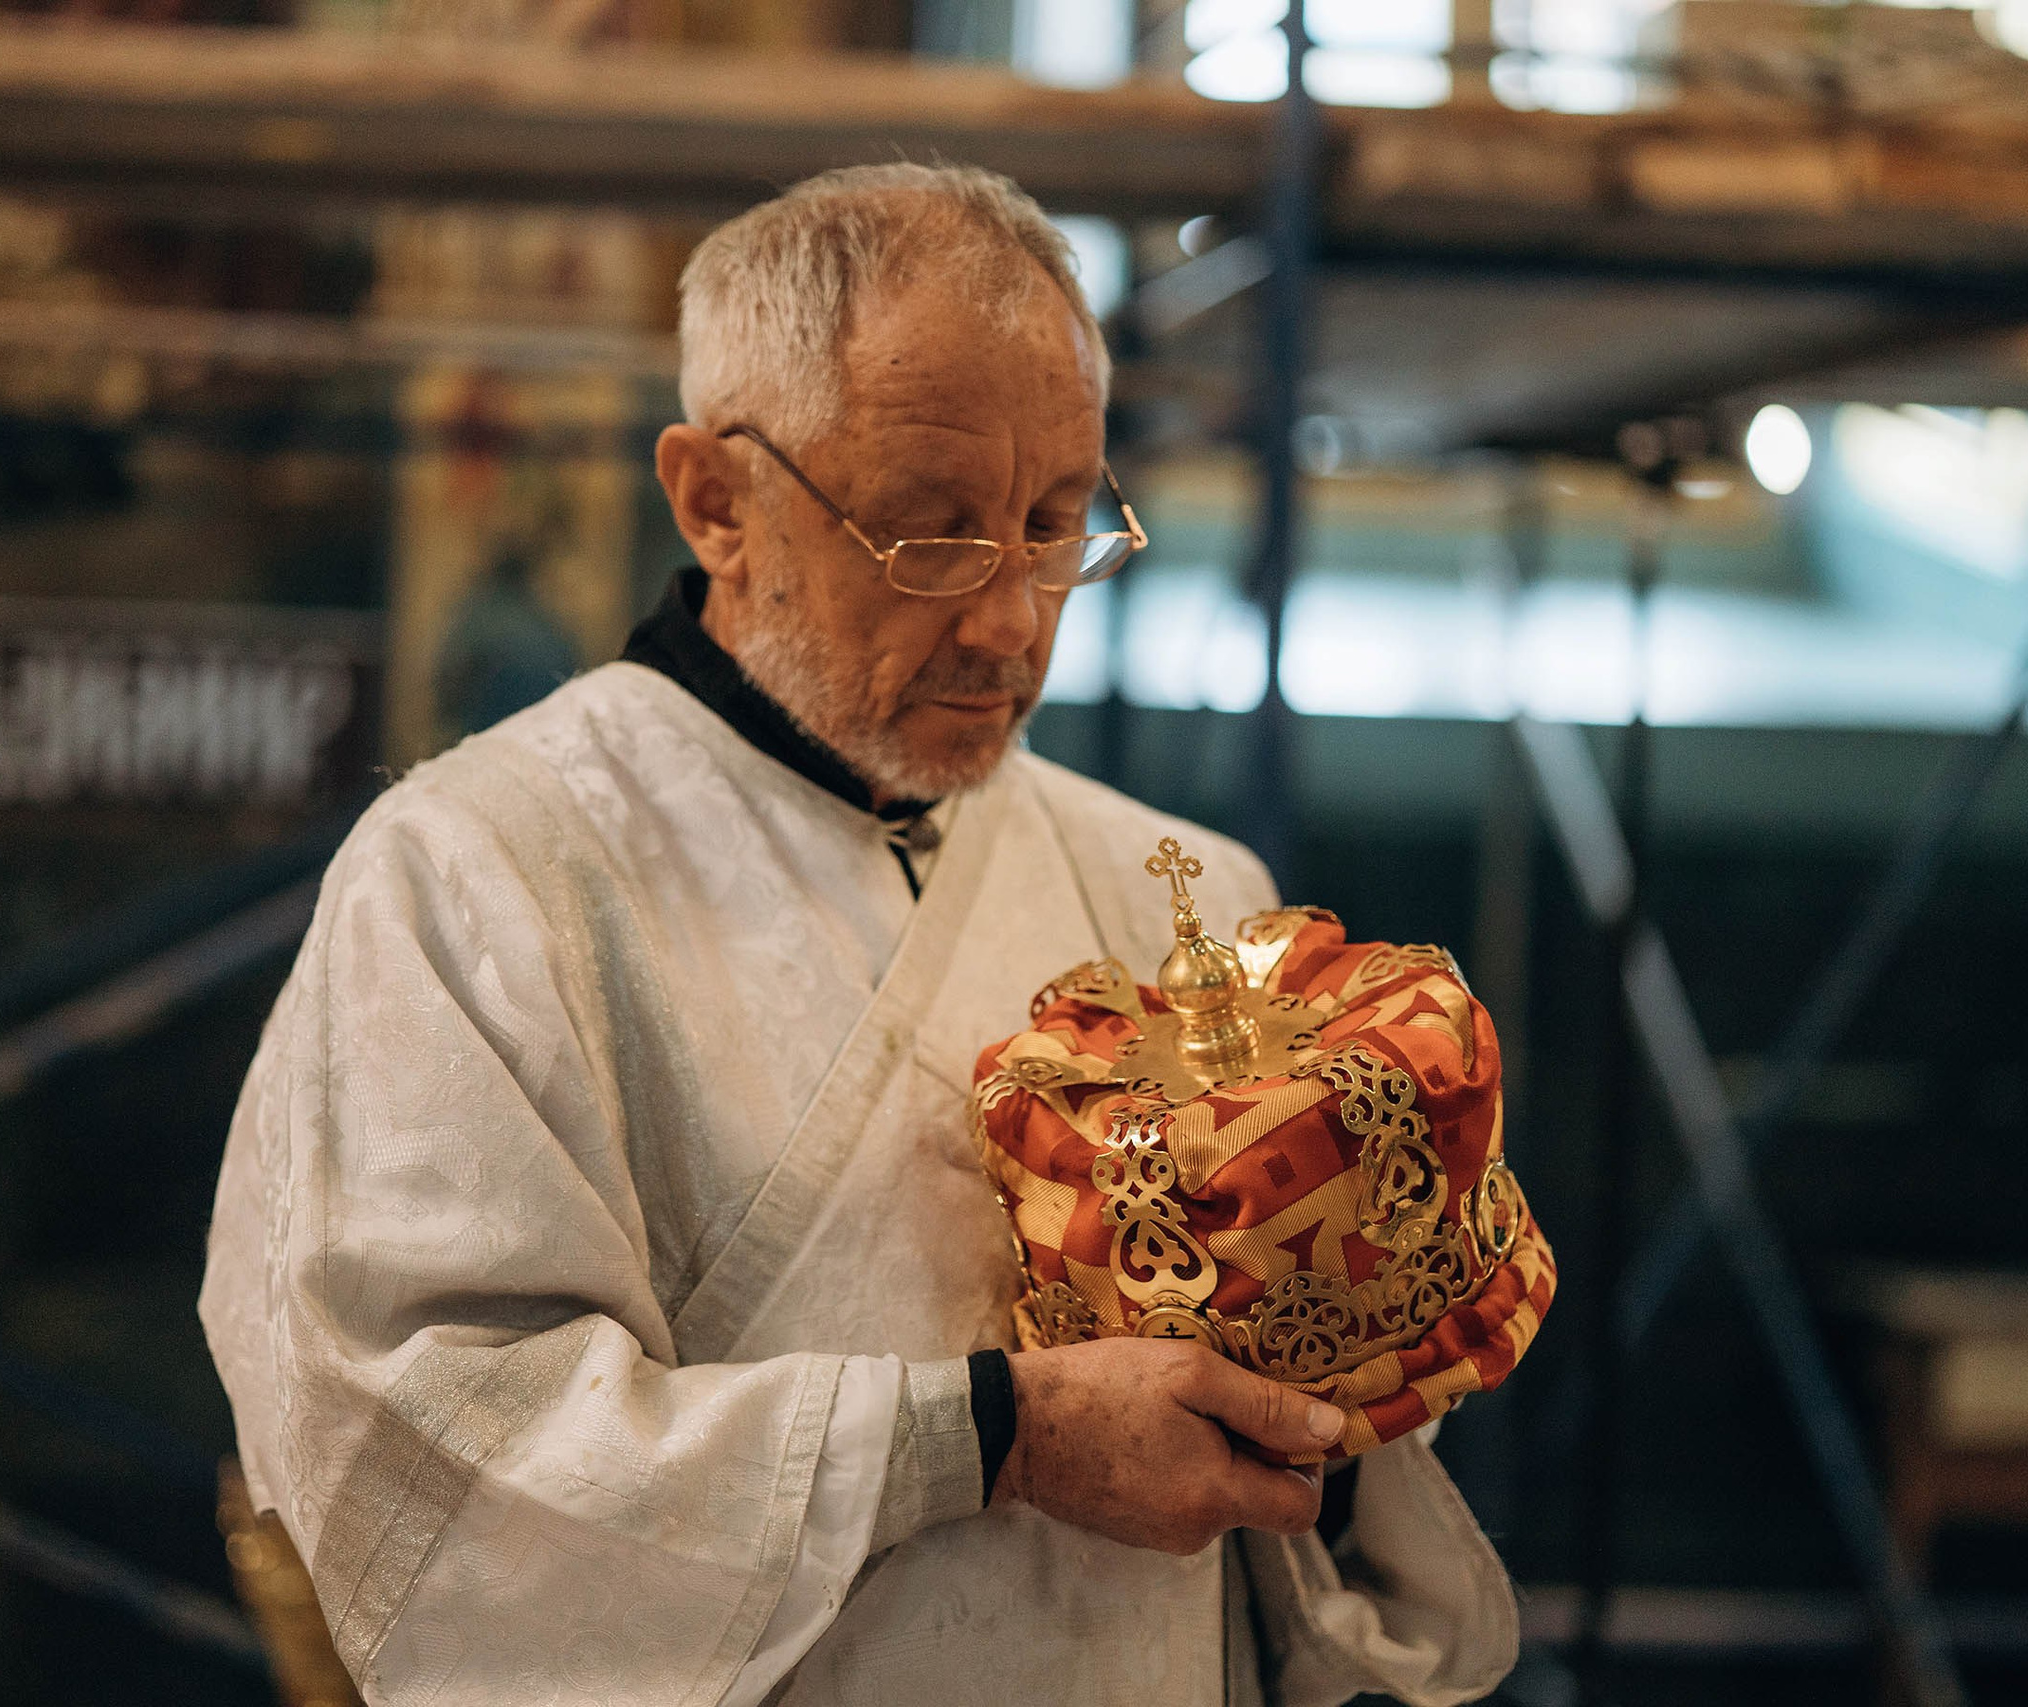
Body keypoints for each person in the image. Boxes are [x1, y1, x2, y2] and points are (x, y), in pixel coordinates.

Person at [200, 162, 1518, 1707]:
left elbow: (1307, 1542)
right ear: (716, 500)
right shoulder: (480, 876)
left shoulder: (1187, 887)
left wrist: (1359, 1359)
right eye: (931, 535)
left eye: (1054, 526)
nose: (1013, 621)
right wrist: (987, 1435)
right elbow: (425, 1465)